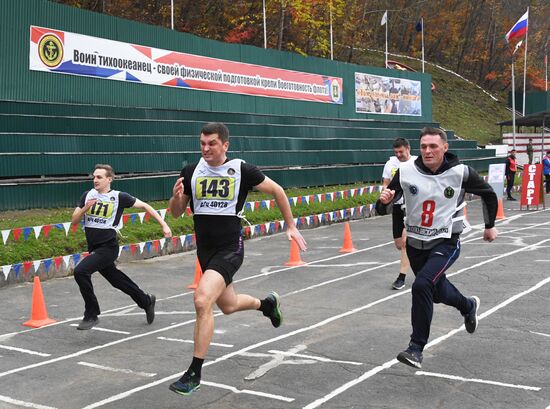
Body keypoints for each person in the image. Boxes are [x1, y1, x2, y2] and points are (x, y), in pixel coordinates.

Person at [167, 122, 307, 396]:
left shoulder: (241, 170)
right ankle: (266, 305)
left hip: (230, 247)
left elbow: (278, 191)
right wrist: (175, 198)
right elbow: (175, 213)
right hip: (205, 250)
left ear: (225, 145)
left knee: (201, 299)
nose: (206, 149)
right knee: (228, 305)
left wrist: (290, 225)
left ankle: (194, 373)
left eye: (212, 144)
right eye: (202, 144)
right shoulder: (191, 171)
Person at [376, 127, 498, 369]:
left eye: (433, 146)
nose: (428, 151)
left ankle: (415, 348)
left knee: (421, 285)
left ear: (445, 147)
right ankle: (468, 305)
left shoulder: (460, 173)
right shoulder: (406, 171)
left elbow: (489, 195)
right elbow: (390, 206)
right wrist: (383, 203)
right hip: (415, 243)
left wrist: (489, 226)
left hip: (445, 242)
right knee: (435, 290)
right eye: (423, 147)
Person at [71, 164, 172, 330]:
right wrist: (85, 208)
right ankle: (146, 301)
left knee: (81, 271)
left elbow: (146, 206)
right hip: (94, 247)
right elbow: (74, 220)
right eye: (94, 177)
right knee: (117, 280)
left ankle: (91, 314)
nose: (95, 180)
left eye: (99, 177)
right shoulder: (87, 195)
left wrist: (164, 225)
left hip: (108, 247)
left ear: (109, 179)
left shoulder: (119, 197)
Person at [381, 138, 417, 290]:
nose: (398, 155)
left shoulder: (417, 163)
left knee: (405, 243)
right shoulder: (390, 164)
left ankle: (401, 278)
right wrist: (385, 195)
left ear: (408, 149)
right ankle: (421, 262)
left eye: (401, 152)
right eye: (396, 152)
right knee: (399, 244)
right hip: (396, 207)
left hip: (412, 206)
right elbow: (386, 183)